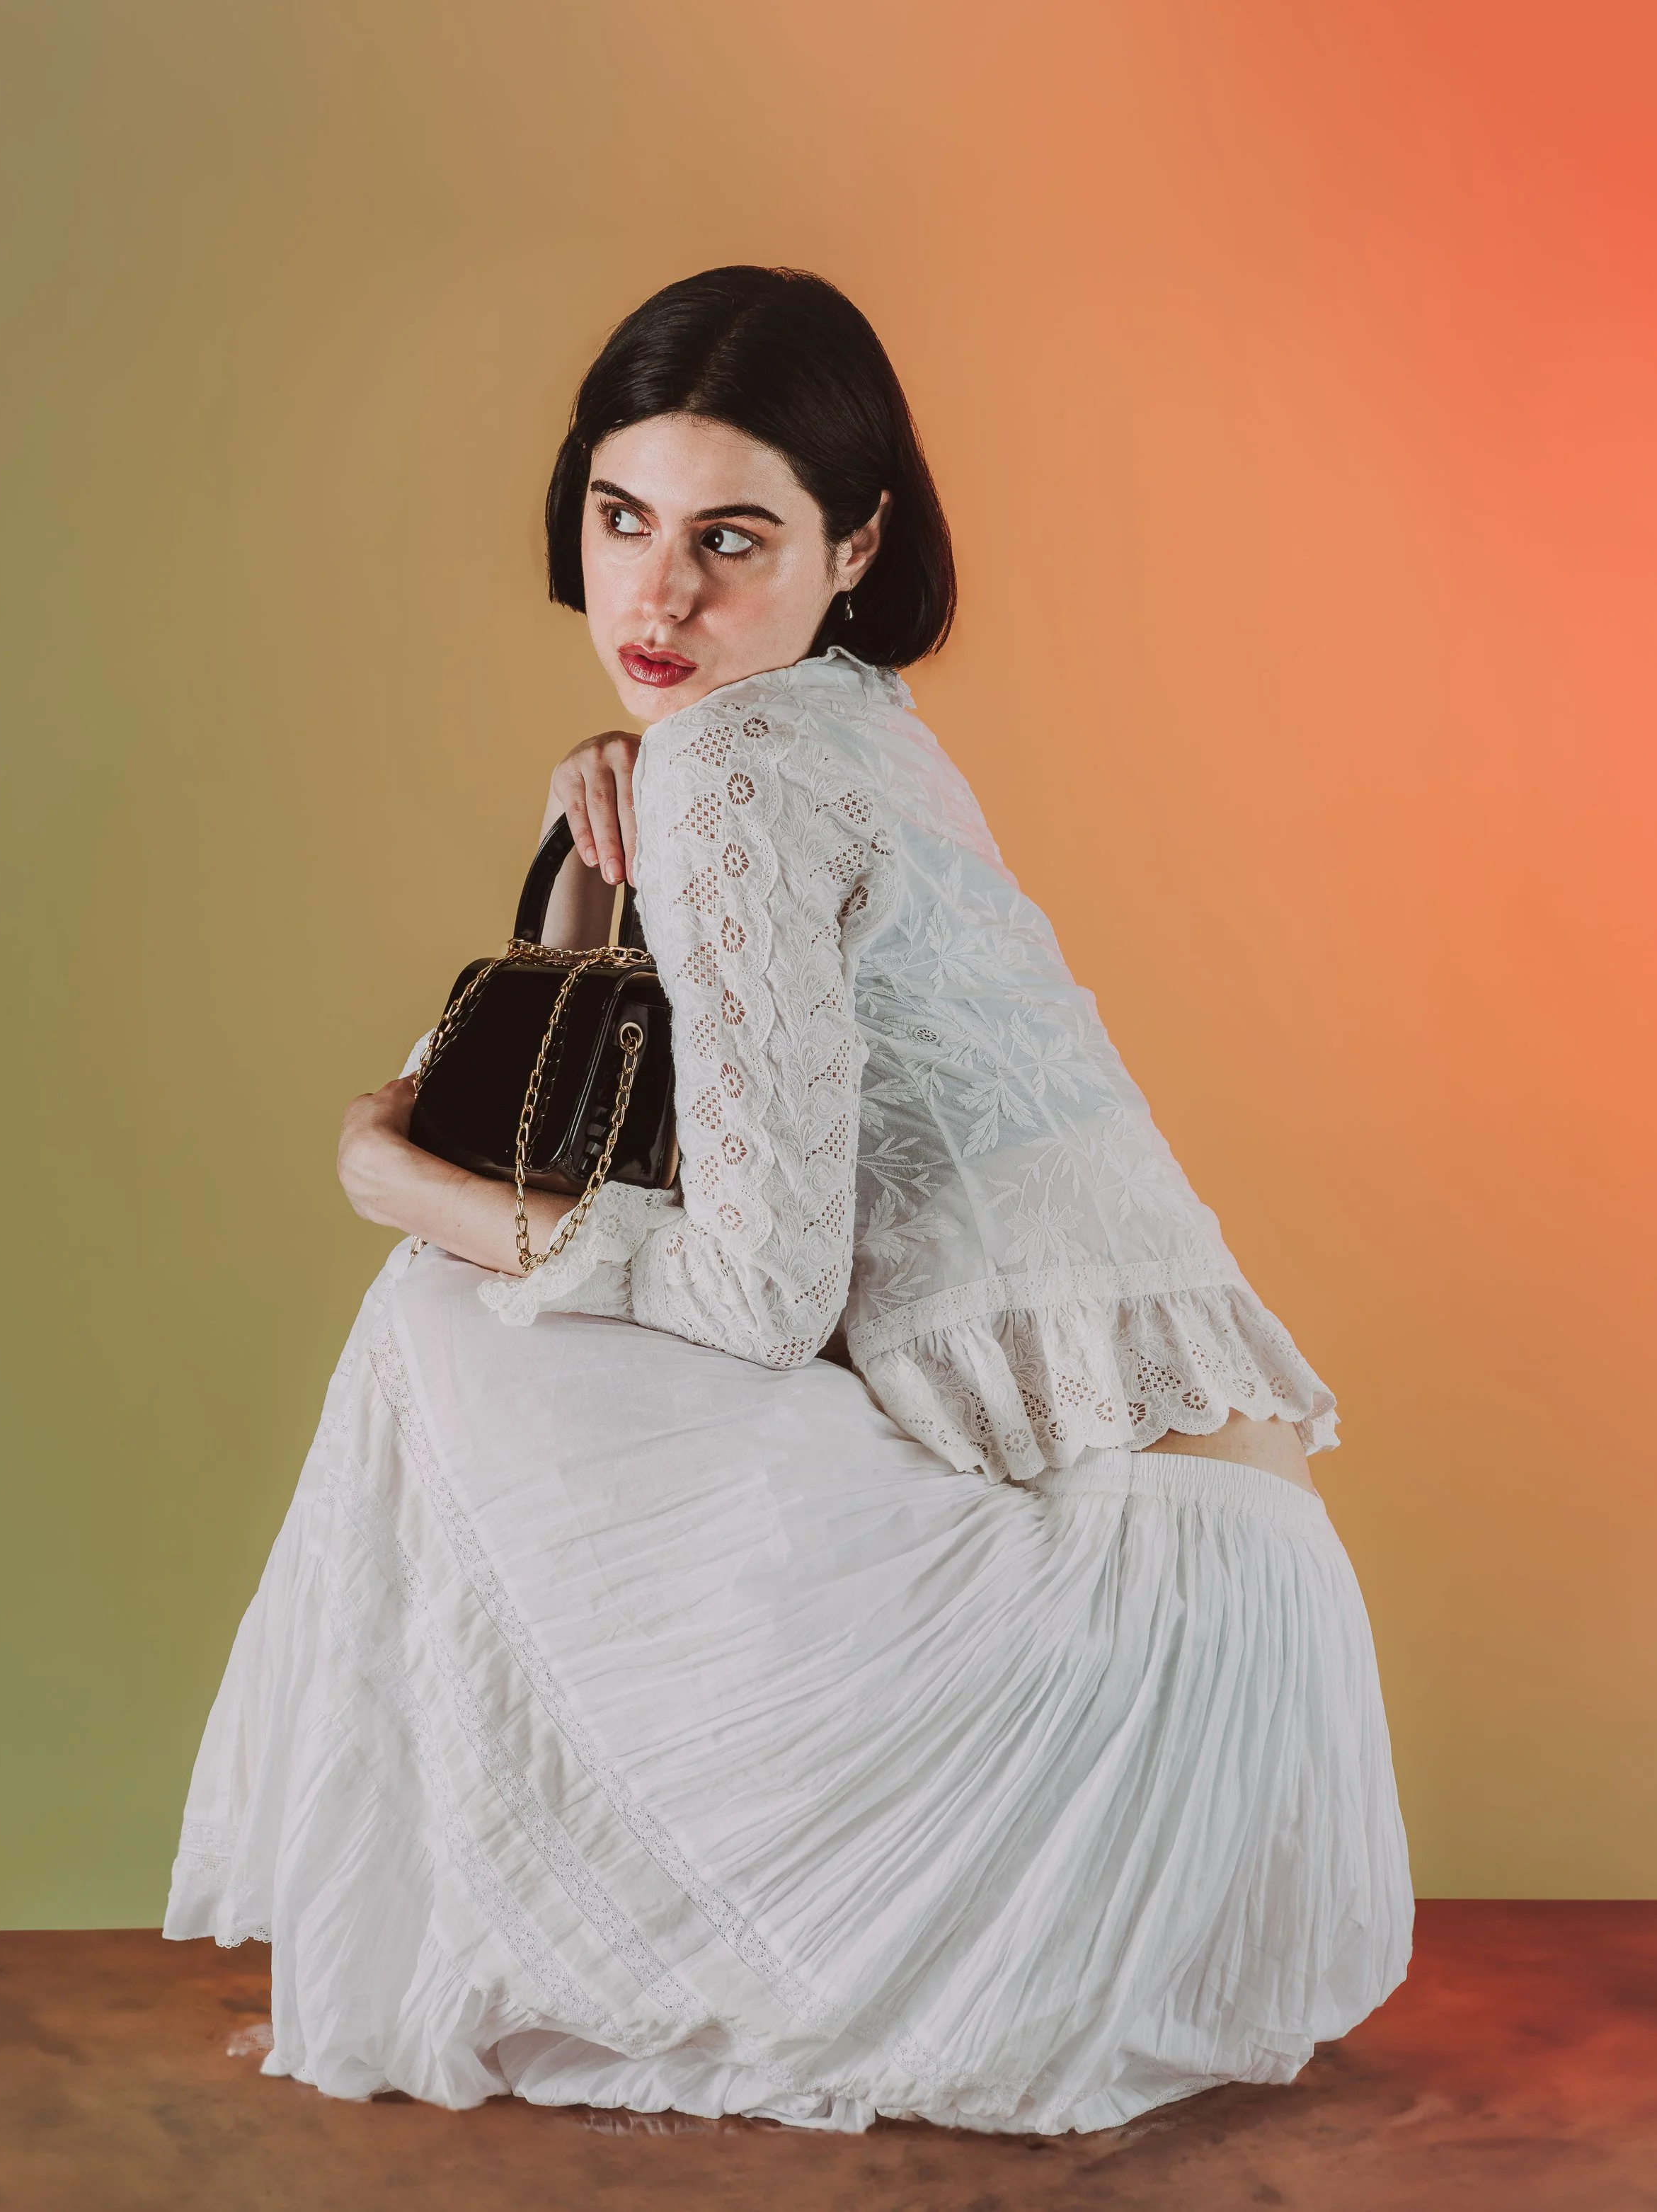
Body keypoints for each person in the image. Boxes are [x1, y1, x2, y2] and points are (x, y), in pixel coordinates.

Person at [165, 265, 1413, 2133]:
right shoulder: (852, 720)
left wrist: (388, 1174)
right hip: (1255, 1684)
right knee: (500, 1283)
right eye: (619, 519)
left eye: (729, 538)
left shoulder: (738, 761)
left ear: (856, 541)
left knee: (442, 1296)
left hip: (1099, 1665)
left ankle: (471, 1936)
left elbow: (755, 1296)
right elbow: (701, 1160)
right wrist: (599, 880)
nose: (656, 599)